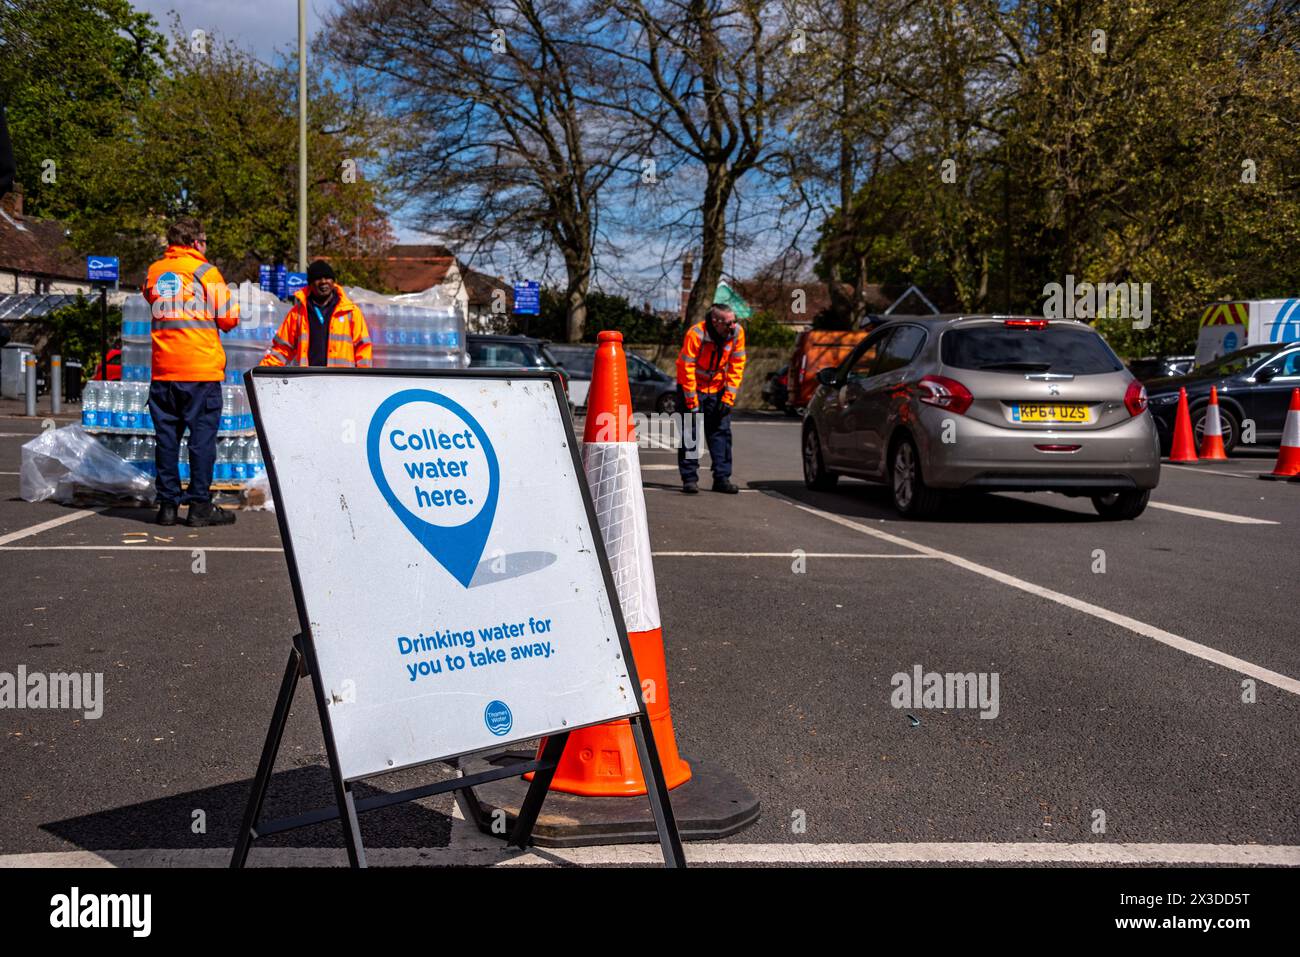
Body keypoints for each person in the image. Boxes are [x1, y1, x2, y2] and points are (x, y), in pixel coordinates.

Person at [141, 217, 238, 527]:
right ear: (196, 242)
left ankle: (167, 506)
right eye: (204, 241)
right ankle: (199, 507)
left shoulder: (155, 271)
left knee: (167, 439)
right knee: (201, 441)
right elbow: (230, 318)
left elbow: (152, 299)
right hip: (200, 371)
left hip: (164, 371)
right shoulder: (206, 272)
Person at [676, 303, 747, 494]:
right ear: (715, 322)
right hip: (693, 388)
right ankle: (689, 479)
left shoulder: (736, 333)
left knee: (721, 433)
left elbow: (737, 364)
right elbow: (686, 368)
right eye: (728, 323)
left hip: (717, 388)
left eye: (734, 321)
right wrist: (692, 402)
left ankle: (722, 478)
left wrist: (728, 398)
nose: (733, 326)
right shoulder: (696, 334)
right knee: (691, 434)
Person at [259, 260, 372, 369]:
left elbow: (363, 348)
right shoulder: (297, 313)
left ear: (334, 282)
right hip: (307, 382)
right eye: (318, 278)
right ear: (310, 284)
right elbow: (282, 349)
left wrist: (364, 378)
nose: (323, 281)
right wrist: (262, 373)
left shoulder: (351, 312)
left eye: (327, 277)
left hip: (341, 382)